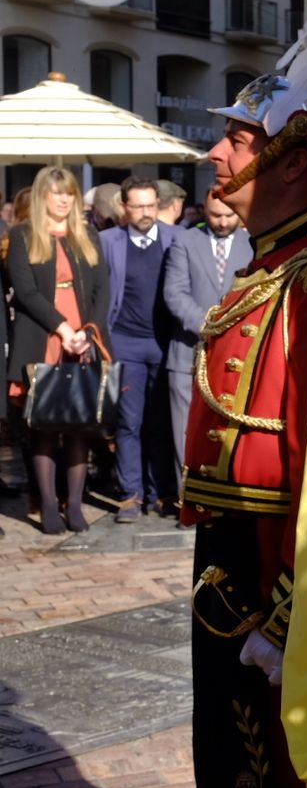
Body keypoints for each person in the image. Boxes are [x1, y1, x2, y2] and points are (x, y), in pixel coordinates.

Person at [181, 72, 307, 788]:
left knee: (293, 784)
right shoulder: (267, 265)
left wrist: (290, 604)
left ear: (292, 161)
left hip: (277, 557)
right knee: (260, 779)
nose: (215, 152)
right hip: (236, 545)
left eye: (238, 140)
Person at [6, 168, 107, 535]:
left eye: (69, 194)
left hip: (84, 342)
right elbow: (26, 291)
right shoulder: (23, 236)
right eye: (56, 193)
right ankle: (48, 505)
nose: (64, 200)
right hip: (43, 339)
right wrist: (64, 329)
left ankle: (75, 505)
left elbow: (102, 289)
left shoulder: (88, 236)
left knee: (80, 429)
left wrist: (85, 332)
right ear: (41, 197)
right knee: (45, 427)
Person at [102, 177, 180, 522]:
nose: (147, 212)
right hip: (125, 342)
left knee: (162, 421)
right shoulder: (108, 242)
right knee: (128, 421)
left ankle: (160, 491)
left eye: (152, 205)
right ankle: (130, 495)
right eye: (139, 206)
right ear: (125, 207)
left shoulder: (177, 238)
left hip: (165, 344)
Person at [161, 194, 252, 487]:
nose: (223, 222)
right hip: (188, 350)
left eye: (229, 215)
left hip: (237, 352)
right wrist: (210, 326)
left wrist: (232, 330)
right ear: (204, 211)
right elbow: (174, 293)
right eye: (215, 216)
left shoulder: (253, 242)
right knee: (183, 428)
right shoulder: (185, 241)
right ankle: (186, 494)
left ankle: (226, 492)